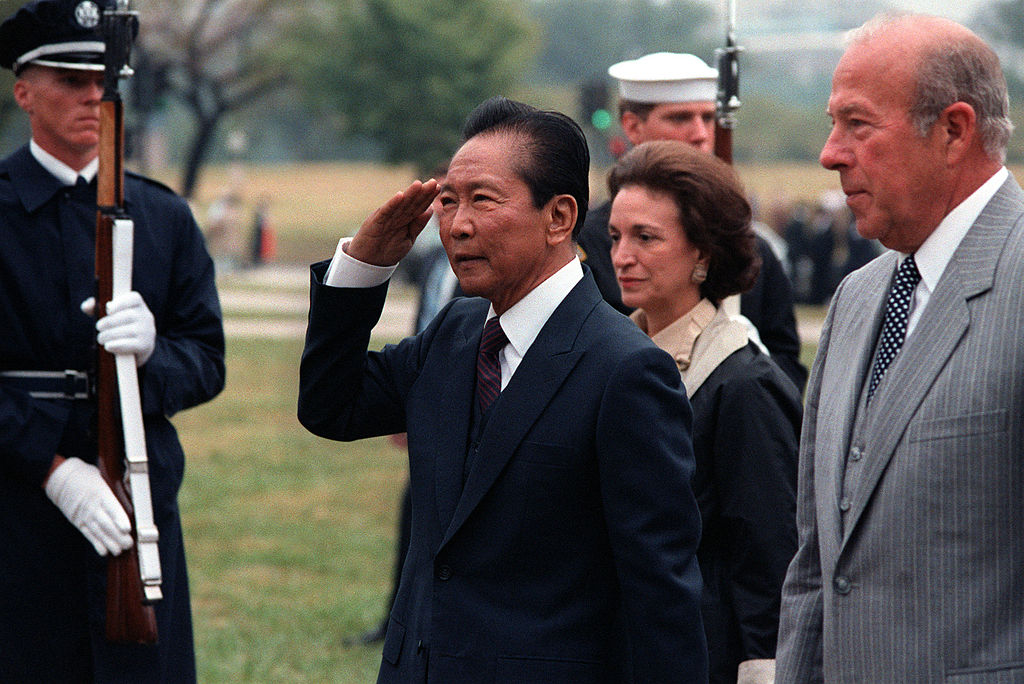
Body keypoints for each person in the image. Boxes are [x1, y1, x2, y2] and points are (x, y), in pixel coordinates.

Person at [298, 96, 707, 682]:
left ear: (559, 218)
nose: (457, 224)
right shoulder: (456, 334)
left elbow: (660, 590)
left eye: (482, 200)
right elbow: (330, 406)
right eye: (447, 201)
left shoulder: (624, 370)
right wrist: (360, 271)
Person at [776, 12, 1024, 682]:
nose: (829, 153)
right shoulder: (858, 300)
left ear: (953, 131)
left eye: (857, 124)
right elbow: (815, 568)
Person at [0, 1, 225, 681]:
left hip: (137, 493)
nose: (92, 95)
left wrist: (156, 353)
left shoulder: (162, 217)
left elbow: (207, 358)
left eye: (102, 79)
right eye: (70, 79)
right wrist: (51, 466)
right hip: (15, 499)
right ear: (24, 91)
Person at [608, 140, 800, 684]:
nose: (623, 255)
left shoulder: (744, 384)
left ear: (703, 253)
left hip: (701, 657)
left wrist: (764, 673)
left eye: (646, 237)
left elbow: (769, 555)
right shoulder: (614, 357)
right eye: (616, 237)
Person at [579, 52, 807, 393]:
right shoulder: (584, 245)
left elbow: (785, 362)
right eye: (680, 117)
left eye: (709, 117)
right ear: (632, 126)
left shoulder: (751, 247)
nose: (700, 134)